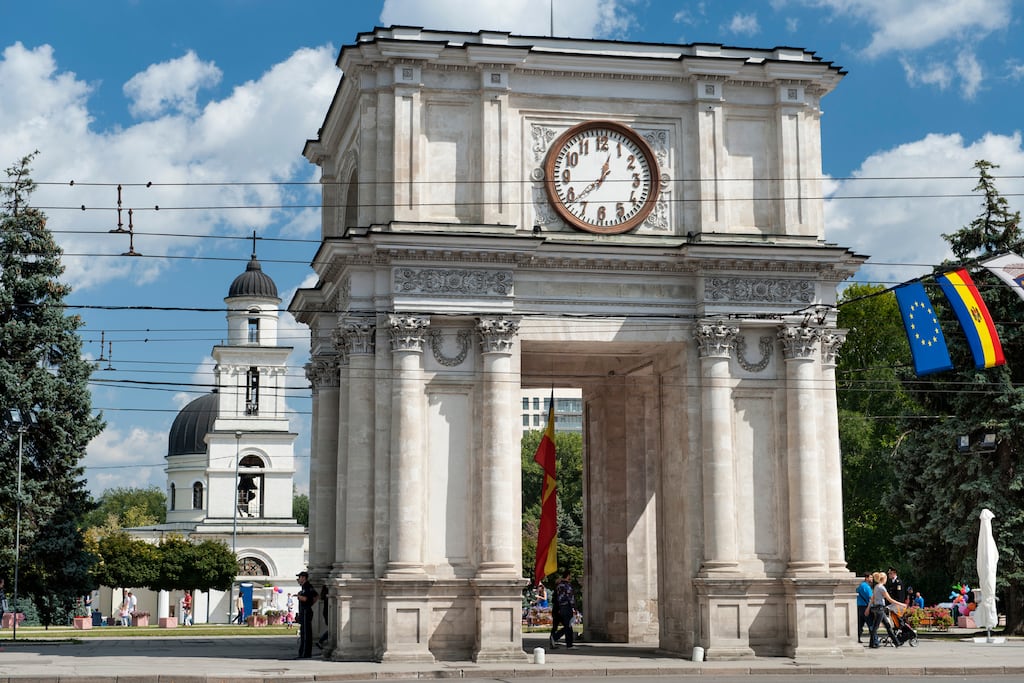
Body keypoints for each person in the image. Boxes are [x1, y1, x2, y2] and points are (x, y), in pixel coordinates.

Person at [866, 571, 902, 648]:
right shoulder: (882, 588)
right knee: (876, 627)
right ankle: (872, 644)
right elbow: (889, 599)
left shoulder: (876, 587)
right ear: (884, 579)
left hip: (877, 608)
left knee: (887, 626)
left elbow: (872, 599)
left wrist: (868, 608)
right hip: (880, 608)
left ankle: (896, 642)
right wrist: (901, 604)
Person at [549, 570, 576, 650]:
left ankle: (569, 644)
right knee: (568, 626)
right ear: (568, 576)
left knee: (568, 626)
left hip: (563, 607)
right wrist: (573, 607)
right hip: (565, 607)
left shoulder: (562, 585)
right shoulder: (565, 586)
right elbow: (567, 597)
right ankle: (556, 637)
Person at [295, 570, 319, 659]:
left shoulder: (306, 587)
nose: (298, 579)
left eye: (300, 577)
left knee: (305, 633)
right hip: (306, 610)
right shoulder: (306, 587)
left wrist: (299, 597)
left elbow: (307, 598)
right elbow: (316, 596)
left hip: (305, 611)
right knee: (305, 632)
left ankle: (305, 653)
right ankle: (304, 652)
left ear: (304, 578)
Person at [856, 572, 873, 644]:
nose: (872, 579)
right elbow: (871, 597)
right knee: (871, 624)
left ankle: (857, 638)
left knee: (860, 625)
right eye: (870, 577)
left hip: (859, 606)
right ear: (866, 578)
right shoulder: (866, 586)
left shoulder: (859, 586)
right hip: (866, 607)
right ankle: (873, 640)